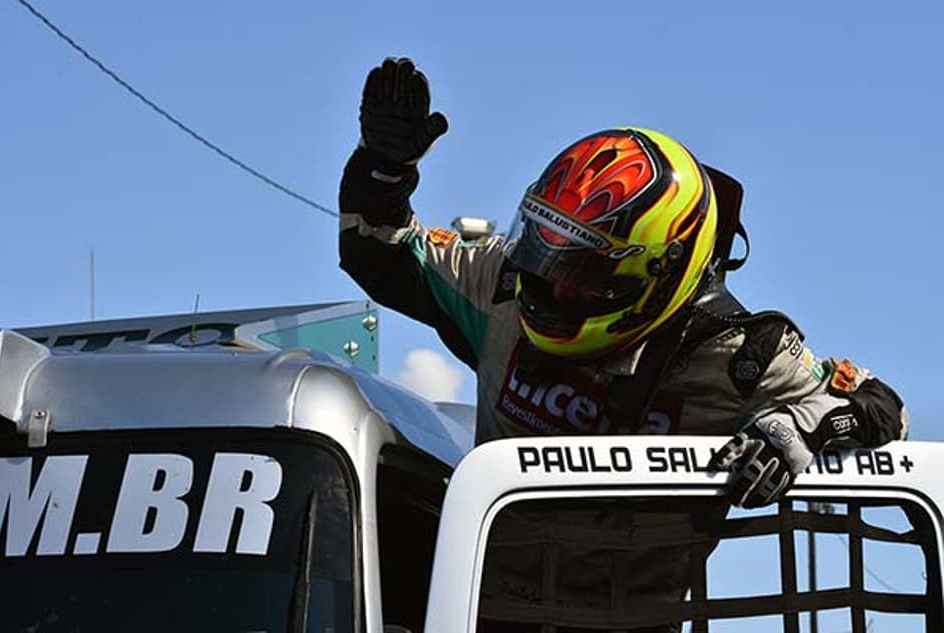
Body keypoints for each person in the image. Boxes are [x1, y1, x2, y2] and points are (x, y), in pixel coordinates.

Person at [338, 57, 909, 630]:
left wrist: (800, 428)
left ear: (665, 269)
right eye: (545, 255)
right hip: (482, 609)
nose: (552, 284)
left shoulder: (742, 357)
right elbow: (382, 253)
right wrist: (384, 168)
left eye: (582, 273)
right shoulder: (504, 286)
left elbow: (883, 406)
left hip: (634, 623)